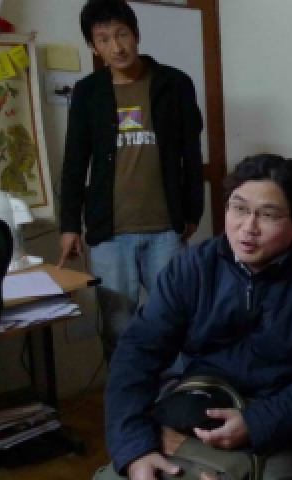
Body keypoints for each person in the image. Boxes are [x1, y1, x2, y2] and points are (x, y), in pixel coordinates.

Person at [102, 154, 292, 479]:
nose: (248, 228)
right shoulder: (192, 268)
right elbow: (137, 352)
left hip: (277, 423)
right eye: (239, 209)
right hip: (196, 408)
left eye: (268, 215)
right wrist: (135, 449)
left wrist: (256, 422)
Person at [58, 0, 204, 357]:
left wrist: (192, 211)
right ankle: (127, 391)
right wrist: (69, 225)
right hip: (110, 233)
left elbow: (191, 153)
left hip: (165, 229)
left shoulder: (174, 84)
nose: (117, 46)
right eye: (104, 39)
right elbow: (75, 162)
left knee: (174, 321)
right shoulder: (88, 92)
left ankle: (176, 391)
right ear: (94, 47)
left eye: (122, 34)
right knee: (118, 325)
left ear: (136, 34)